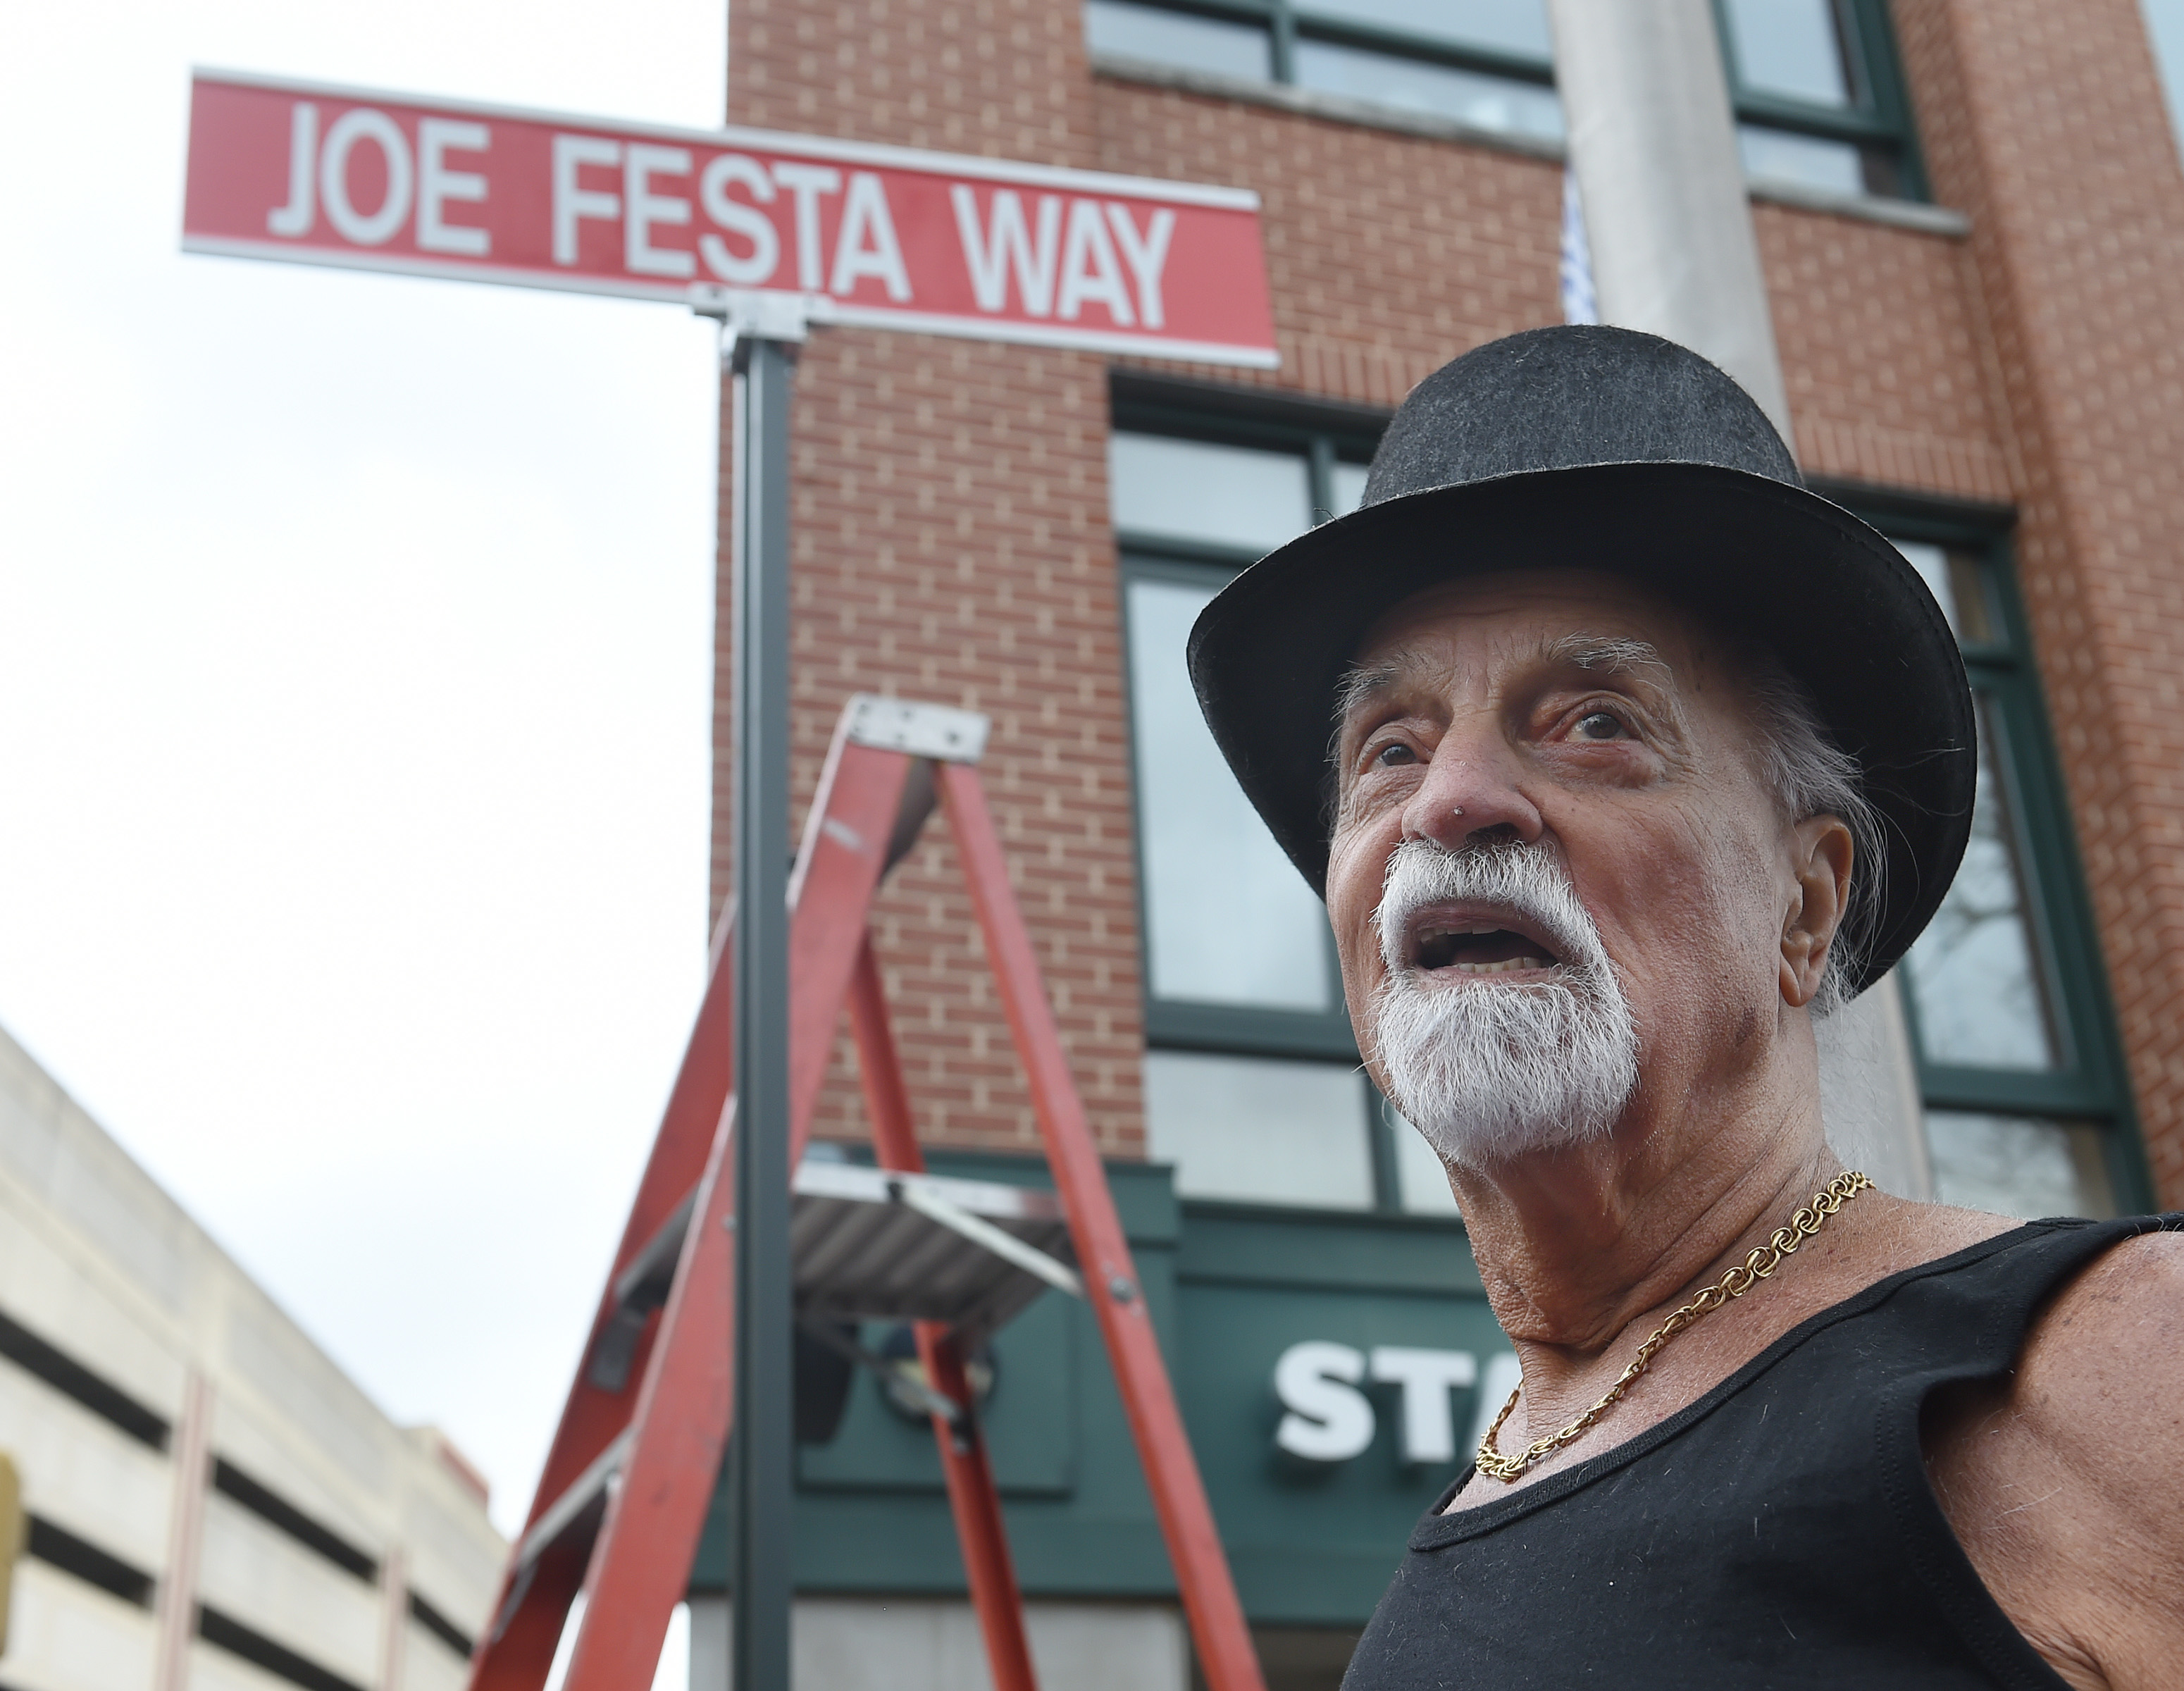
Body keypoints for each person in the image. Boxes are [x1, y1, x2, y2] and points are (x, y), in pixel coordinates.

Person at [1186, 326, 2184, 1690]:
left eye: (1592, 721)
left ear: (1803, 902)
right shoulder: (1500, 1481)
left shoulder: (2106, 1360)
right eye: (1389, 748)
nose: (1447, 801)